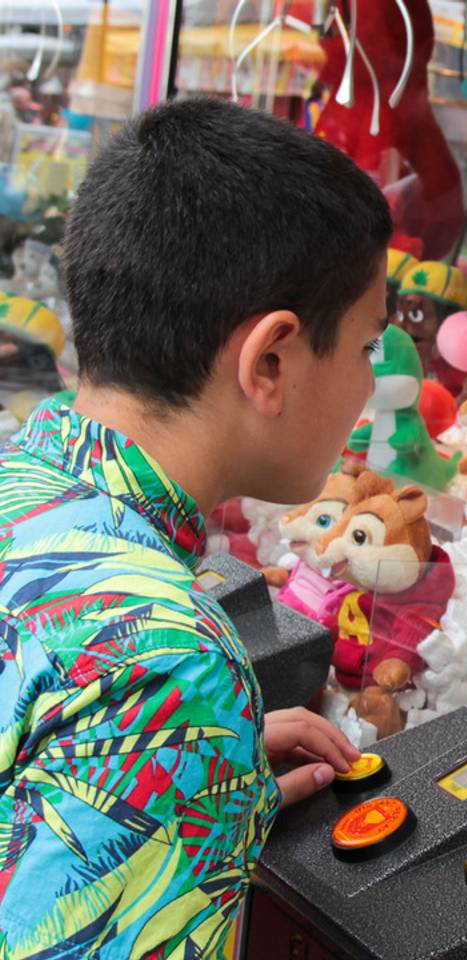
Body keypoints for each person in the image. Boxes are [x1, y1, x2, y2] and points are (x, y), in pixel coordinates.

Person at [0, 98, 389, 956]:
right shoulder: (169, 670)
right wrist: (182, 737)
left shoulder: (23, 481)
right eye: (367, 348)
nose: (369, 391)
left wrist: (203, 781)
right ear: (271, 362)